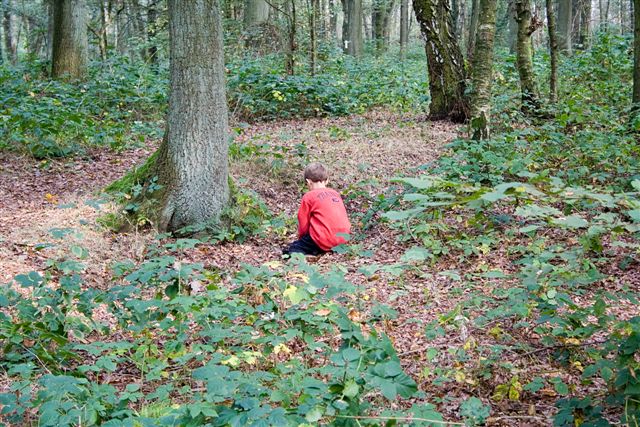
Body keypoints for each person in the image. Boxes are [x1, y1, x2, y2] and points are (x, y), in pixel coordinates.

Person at [283, 162, 351, 257]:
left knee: (293, 248)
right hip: (343, 239)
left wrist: (302, 238)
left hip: (323, 239)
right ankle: (325, 250)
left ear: (308, 182)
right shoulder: (336, 194)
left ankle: (309, 254)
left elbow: (303, 222)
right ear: (327, 180)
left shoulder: (308, 197)